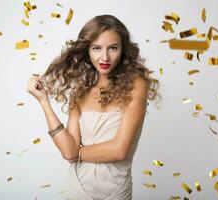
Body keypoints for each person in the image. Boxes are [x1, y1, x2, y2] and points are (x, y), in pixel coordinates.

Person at [27, 14, 159, 200]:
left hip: (116, 192)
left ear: (123, 50)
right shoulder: (80, 91)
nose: (104, 57)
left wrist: (77, 154)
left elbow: (119, 149)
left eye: (113, 48)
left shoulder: (136, 84)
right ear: (87, 50)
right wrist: (43, 101)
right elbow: (67, 149)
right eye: (97, 48)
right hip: (78, 189)